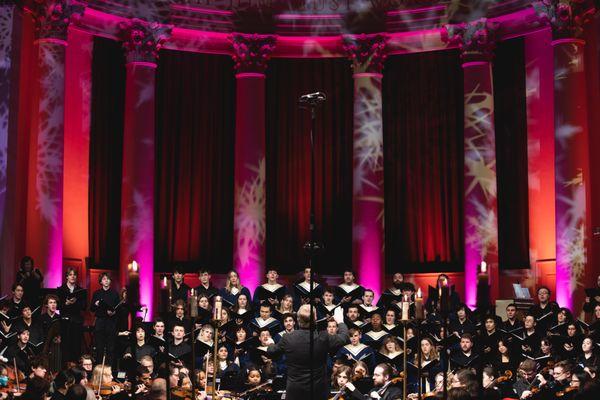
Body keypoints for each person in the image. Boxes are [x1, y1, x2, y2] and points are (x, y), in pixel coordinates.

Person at [267, 303, 348, 400]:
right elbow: (344, 338)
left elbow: (272, 351)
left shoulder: (288, 338)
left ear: (297, 320)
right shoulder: (323, 337)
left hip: (295, 392)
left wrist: (271, 343)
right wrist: (340, 321)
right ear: (315, 318)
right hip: (317, 391)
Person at [57, 267, 86, 362]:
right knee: (65, 347)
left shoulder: (80, 290)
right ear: (67, 277)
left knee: (76, 348)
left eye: (74, 275)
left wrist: (75, 303)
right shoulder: (61, 289)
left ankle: (75, 370)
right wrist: (66, 304)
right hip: (65, 322)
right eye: (70, 275)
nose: (72, 277)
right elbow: (57, 306)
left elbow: (84, 306)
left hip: (77, 322)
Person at [90, 272, 120, 364]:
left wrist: (114, 312)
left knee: (111, 349)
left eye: (108, 279)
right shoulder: (97, 293)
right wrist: (95, 304)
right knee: (99, 348)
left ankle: (109, 370)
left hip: (111, 323)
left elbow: (118, 309)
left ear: (110, 281)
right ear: (101, 281)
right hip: (100, 322)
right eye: (104, 279)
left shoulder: (115, 293)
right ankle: (99, 370)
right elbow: (91, 309)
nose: (106, 281)